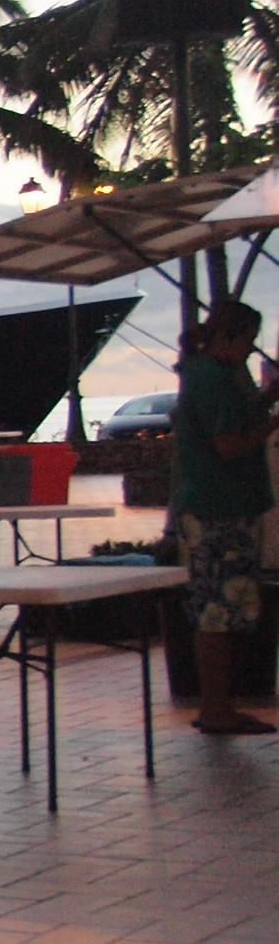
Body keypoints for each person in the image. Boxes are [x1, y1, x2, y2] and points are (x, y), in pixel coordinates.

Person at [173, 301, 275, 736]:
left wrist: (269, 398)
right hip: (218, 509)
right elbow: (229, 444)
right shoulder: (213, 378)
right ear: (228, 337)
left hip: (222, 506)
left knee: (220, 609)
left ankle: (220, 705)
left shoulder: (209, 373)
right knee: (217, 612)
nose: (251, 350)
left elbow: (237, 420)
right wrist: (272, 424)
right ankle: (216, 707)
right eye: (248, 340)